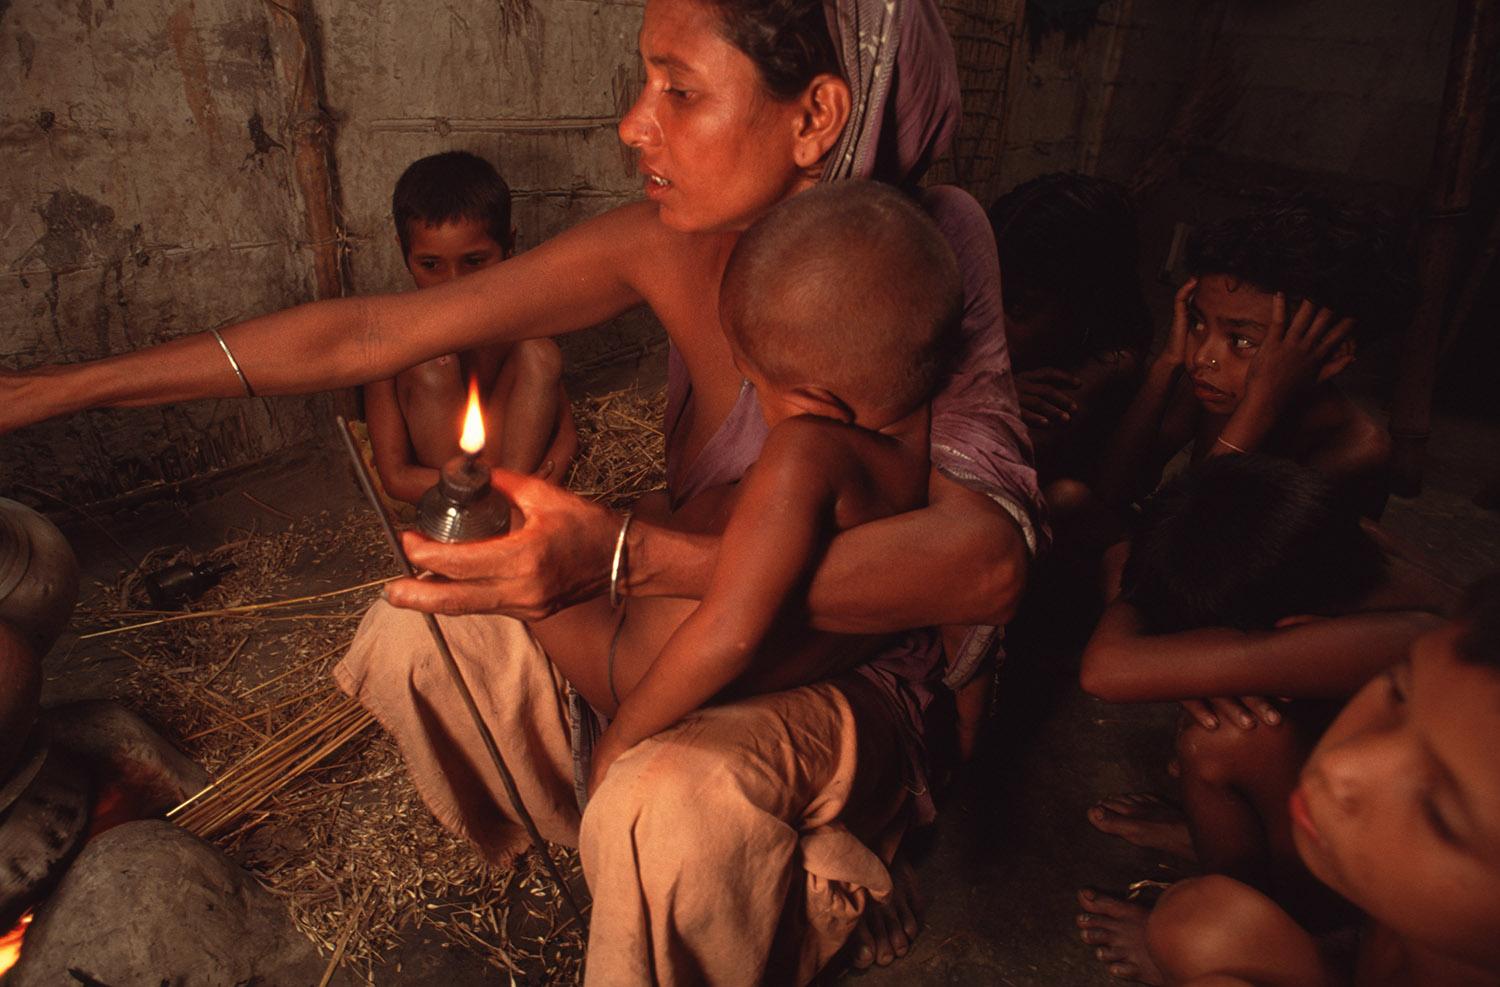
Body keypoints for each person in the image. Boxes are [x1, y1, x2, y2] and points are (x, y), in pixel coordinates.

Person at [0, 0, 1042, 981]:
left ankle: (787, 848)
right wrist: (54, 391)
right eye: (645, 84)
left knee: (662, 794)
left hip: (836, 684)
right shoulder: (663, 241)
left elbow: (984, 566)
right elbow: (368, 333)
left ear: (815, 114)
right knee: (423, 627)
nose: (634, 126)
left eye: (678, 90)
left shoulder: (918, 256)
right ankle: (670, 860)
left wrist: (626, 554)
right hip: (690, 644)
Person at [531, 181, 959, 793]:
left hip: (625, 660)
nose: (753, 407)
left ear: (818, 403)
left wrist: (621, 739)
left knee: (513, 548)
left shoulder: (803, 448)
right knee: (654, 506)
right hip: (698, 640)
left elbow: (731, 632)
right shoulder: (916, 459)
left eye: (755, 386)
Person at [1078, 455, 1451, 932]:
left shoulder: (1402, 637)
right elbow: (1120, 560)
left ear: (1296, 632)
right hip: (1401, 802)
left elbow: (1106, 669)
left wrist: (1167, 637)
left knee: (1228, 737)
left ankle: (1262, 940)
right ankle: (1219, 840)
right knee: (1226, 711)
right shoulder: (1343, 542)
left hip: (1427, 884)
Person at [1075, 575, 1500, 986]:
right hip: (1365, 941)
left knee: (1195, 931)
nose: (1340, 766)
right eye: (1399, 695)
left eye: (1437, 811)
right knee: (1194, 916)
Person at [1099, 197, 1417, 521]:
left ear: (1332, 352)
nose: (1203, 357)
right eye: (1198, 322)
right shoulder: (1216, 385)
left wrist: (1260, 407)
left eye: (1241, 340)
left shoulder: (1356, 451)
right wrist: (1167, 363)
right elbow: (1112, 494)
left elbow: (1190, 538)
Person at [362, 151, 575, 507]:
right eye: (431, 265)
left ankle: (506, 515)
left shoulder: (519, 320)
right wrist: (479, 491)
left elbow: (566, 433)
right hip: (449, 490)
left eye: (474, 261)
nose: (454, 283)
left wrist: (530, 485)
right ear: (404, 253)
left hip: (513, 476)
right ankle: (480, 513)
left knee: (540, 350)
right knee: (432, 361)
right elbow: (396, 477)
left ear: (509, 244)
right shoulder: (394, 342)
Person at [986, 172, 1151, 509]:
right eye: (985, 299)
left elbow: (994, 450)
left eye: (1017, 308)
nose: (990, 324)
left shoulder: (1110, 363)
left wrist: (984, 397)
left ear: (1083, 305)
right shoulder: (1003, 353)